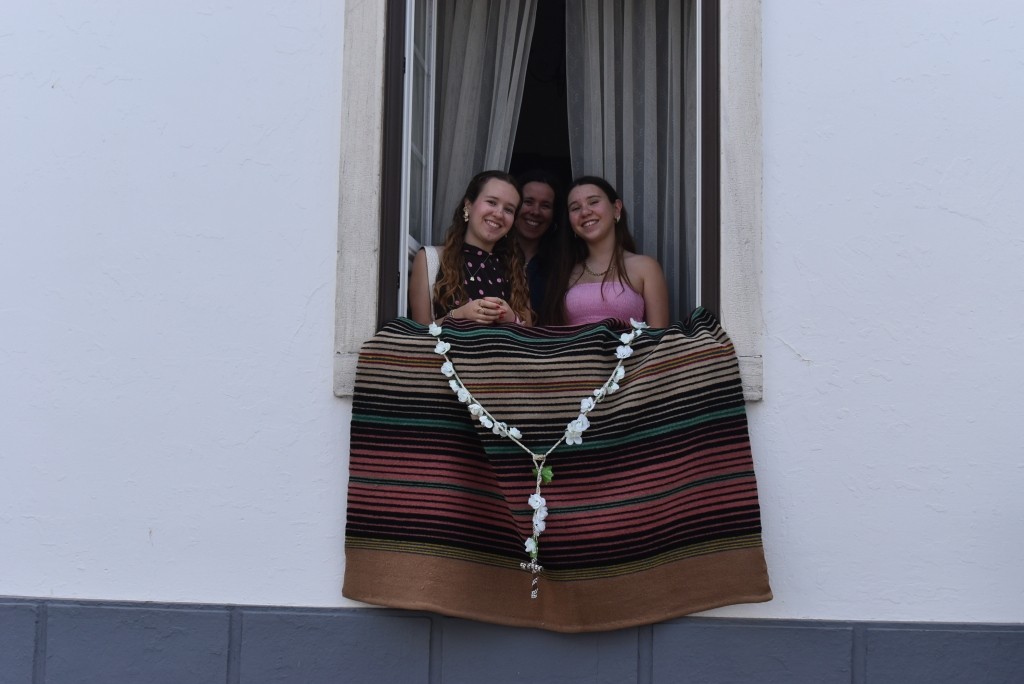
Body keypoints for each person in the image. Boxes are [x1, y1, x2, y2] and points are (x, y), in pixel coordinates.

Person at [409, 170, 533, 326]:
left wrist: (511, 319)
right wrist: (459, 315)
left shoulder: (515, 270)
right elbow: (419, 332)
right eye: (492, 202)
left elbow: (530, 335)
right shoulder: (430, 259)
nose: (499, 214)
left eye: (509, 210)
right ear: (468, 205)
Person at [550, 176, 670, 327]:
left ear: (616, 208)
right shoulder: (565, 272)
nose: (585, 212)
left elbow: (658, 337)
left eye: (593, 202)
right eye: (575, 208)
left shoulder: (646, 268)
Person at [513, 170, 562, 322]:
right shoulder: (492, 256)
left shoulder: (562, 266)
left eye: (545, 205)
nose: (535, 212)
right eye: (528, 202)